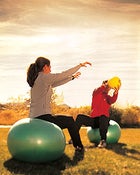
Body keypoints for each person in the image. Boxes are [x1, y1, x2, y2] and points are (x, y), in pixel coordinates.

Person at [27, 56, 92, 152]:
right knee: (70, 121)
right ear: (45, 67)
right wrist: (79, 66)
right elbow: (62, 74)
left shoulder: (39, 79)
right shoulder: (44, 77)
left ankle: (78, 146)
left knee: (67, 120)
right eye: (50, 67)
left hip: (35, 116)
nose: (50, 69)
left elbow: (58, 82)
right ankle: (79, 146)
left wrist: (72, 77)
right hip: (43, 117)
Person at [72, 80, 119, 148]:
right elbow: (98, 90)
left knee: (103, 116)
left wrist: (116, 93)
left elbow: (112, 100)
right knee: (80, 117)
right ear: (103, 85)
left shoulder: (107, 97)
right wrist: (104, 85)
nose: (108, 88)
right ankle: (74, 138)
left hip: (104, 120)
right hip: (94, 120)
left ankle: (103, 141)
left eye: (109, 87)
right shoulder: (96, 92)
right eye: (107, 86)